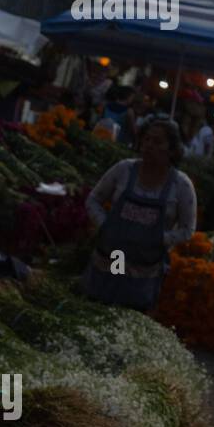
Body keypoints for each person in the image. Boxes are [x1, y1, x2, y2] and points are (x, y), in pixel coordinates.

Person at [82, 117, 197, 310]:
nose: (149, 145)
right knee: (98, 303)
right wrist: (106, 225)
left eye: (157, 142)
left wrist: (157, 238)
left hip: (144, 268)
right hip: (111, 257)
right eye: (147, 139)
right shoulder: (123, 169)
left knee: (129, 313)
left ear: (172, 149)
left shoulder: (181, 185)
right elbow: (93, 200)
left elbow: (188, 230)